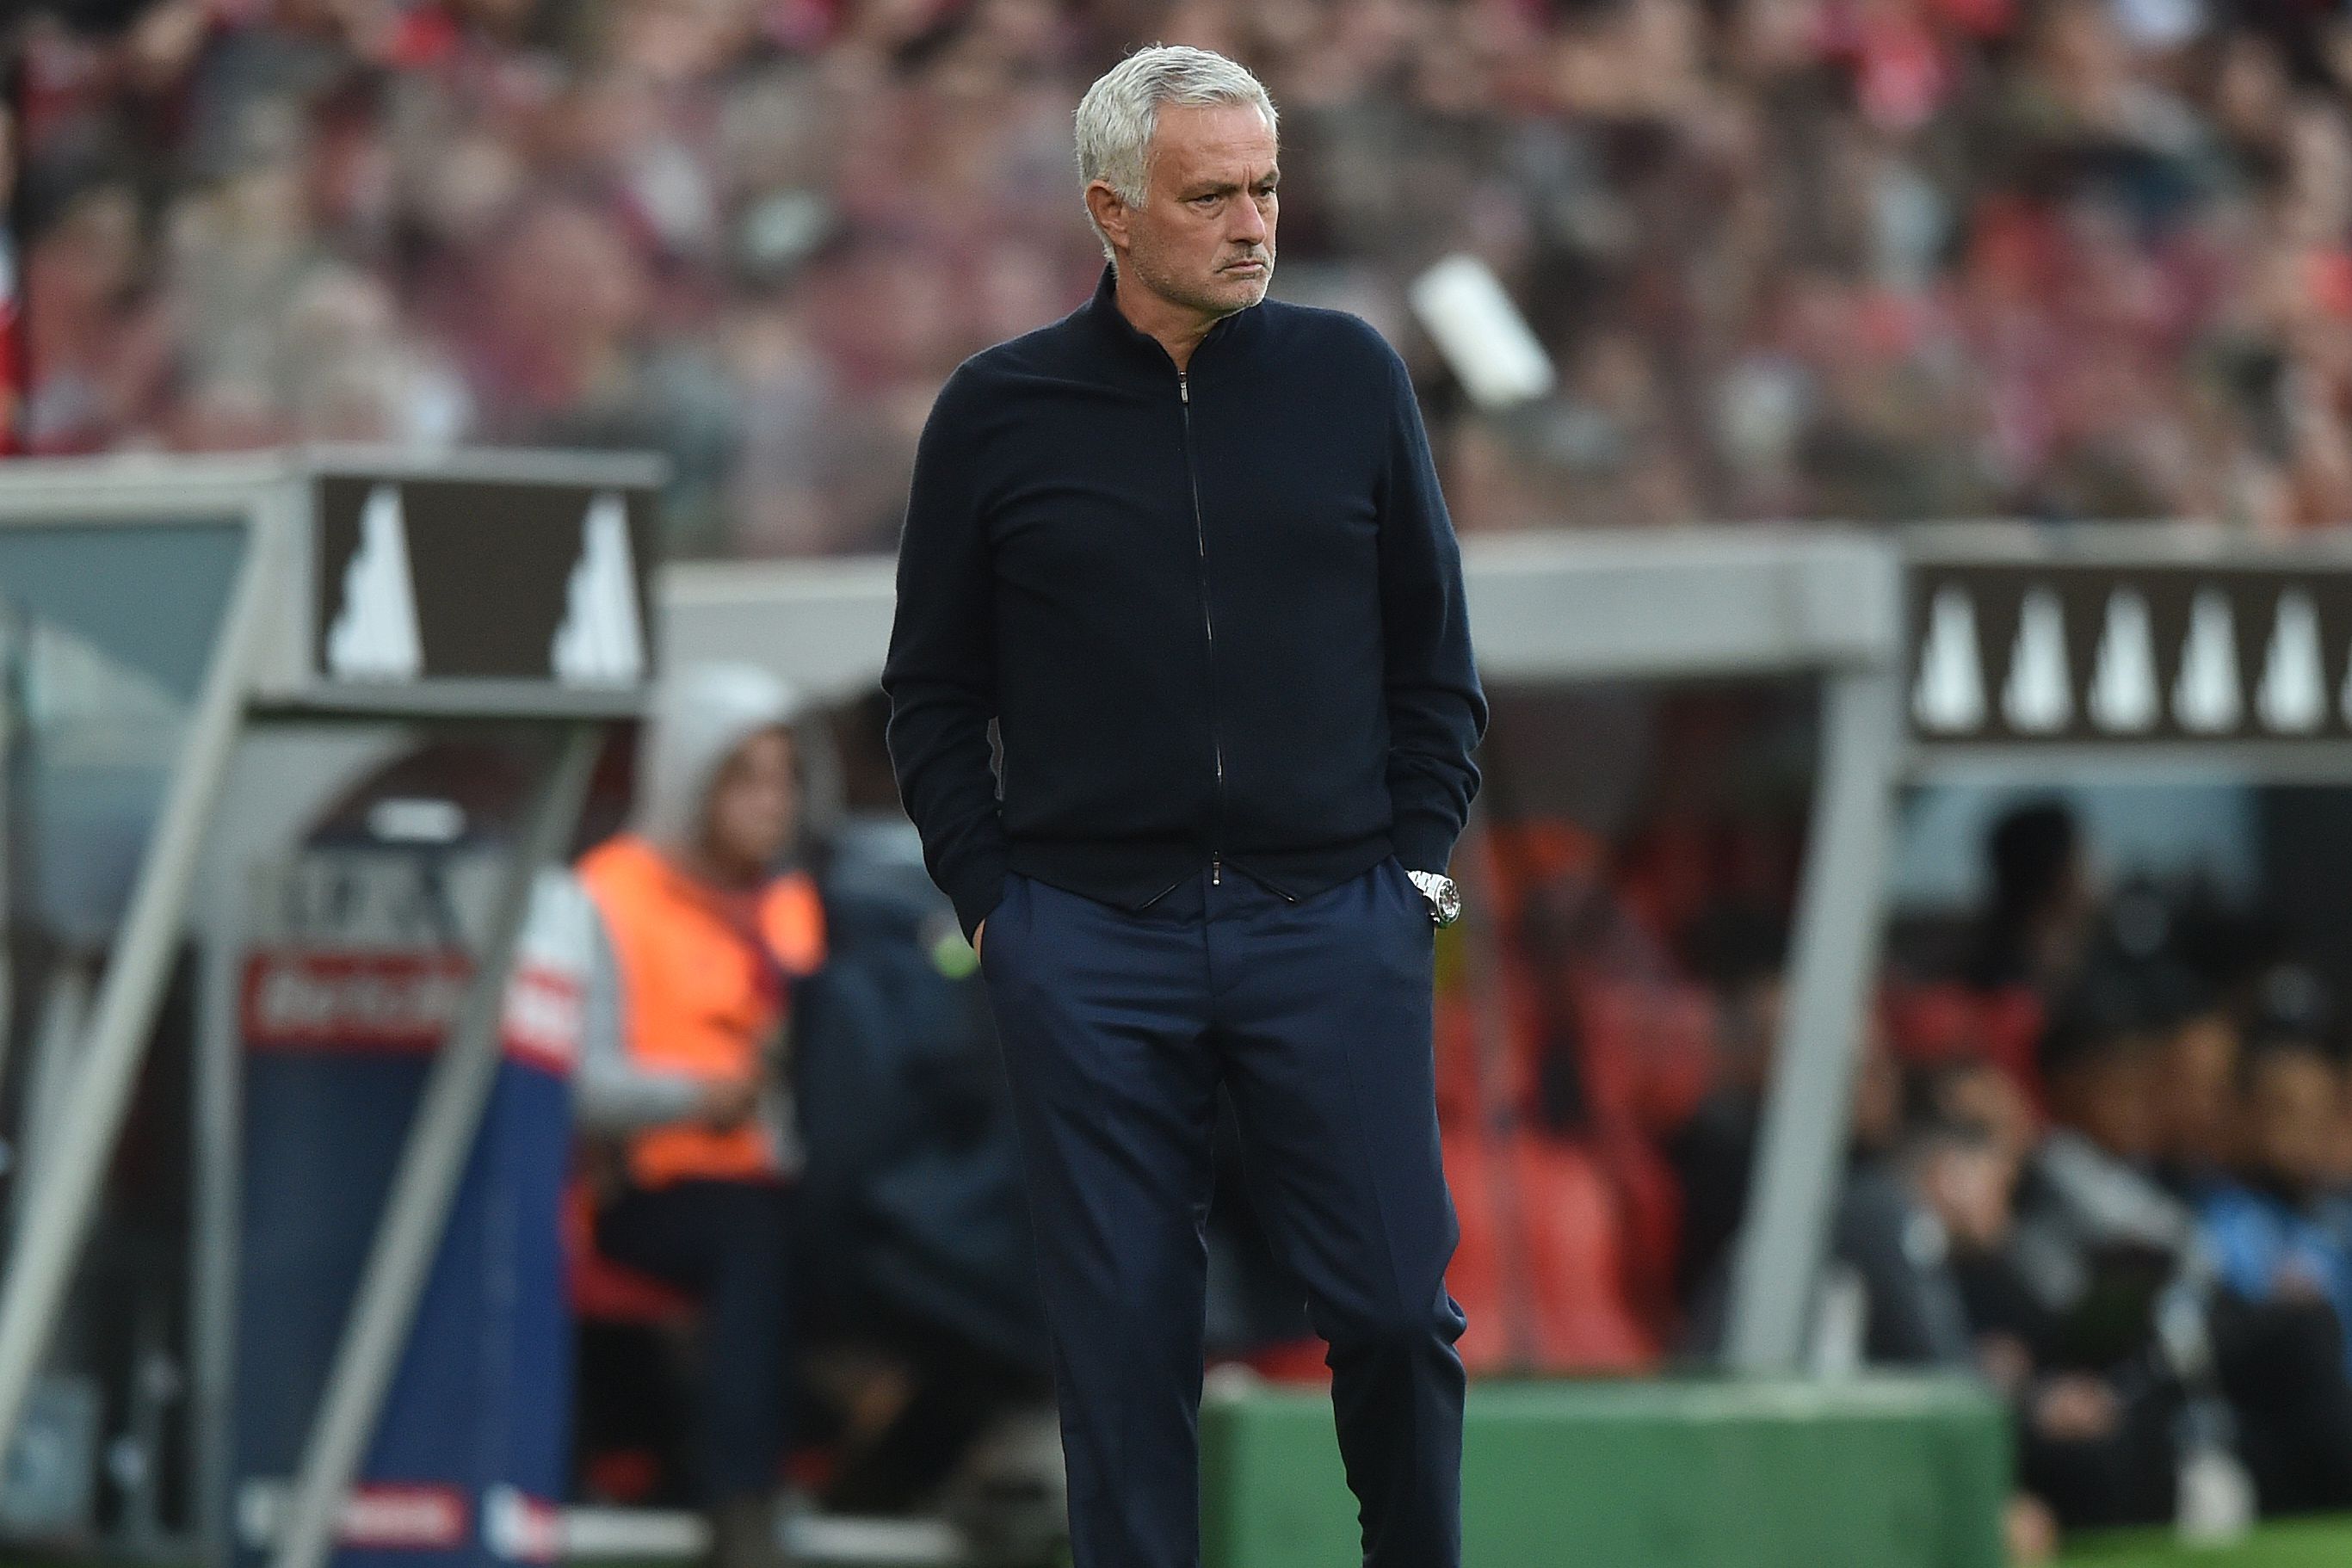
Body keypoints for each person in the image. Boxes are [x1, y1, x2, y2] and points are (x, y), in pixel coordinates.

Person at [881, 44, 1485, 1568]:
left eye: (1264, 187)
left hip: (1330, 916)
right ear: (1109, 211)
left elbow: (1435, 665)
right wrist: (997, 909)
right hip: (1084, 938)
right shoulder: (994, 413)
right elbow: (930, 695)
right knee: (1121, 1348)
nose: (1249, 222)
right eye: (1207, 194)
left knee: (1397, 1314)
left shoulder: (1350, 377)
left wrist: (1409, 871)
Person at [576, 664, 826, 1568]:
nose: (774, 802)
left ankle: (905, 1461)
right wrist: (700, 1095)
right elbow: (574, 1076)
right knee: (752, 1238)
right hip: (649, 1184)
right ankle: (739, 1498)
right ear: (690, 778)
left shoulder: (802, 907)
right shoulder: (609, 894)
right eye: (747, 777)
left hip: (791, 1177)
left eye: (785, 777)